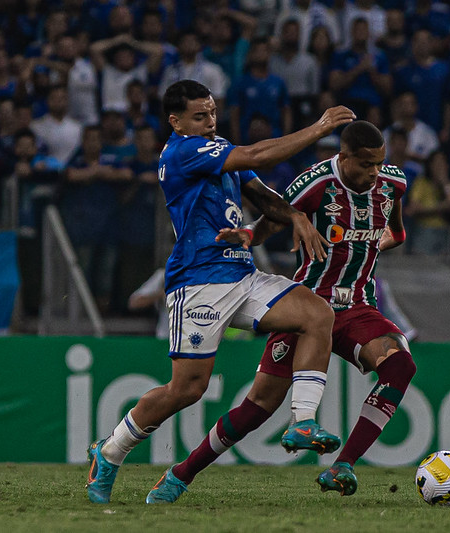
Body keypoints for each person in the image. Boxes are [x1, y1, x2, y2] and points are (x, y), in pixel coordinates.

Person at [85, 80, 356, 504]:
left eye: (212, 113)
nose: (210, 122)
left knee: (316, 314)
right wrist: (320, 128)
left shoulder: (215, 147)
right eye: (200, 116)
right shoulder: (182, 152)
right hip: (199, 282)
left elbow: (262, 195)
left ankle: (303, 421)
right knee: (187, 389)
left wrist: (294, 216)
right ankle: (110, 450)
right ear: (176, 122)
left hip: (242, 275)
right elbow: (259, 154)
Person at [144, 120, 416, 503]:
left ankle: (344, 465)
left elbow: (398, 232)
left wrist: (365, 246)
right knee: (257, 408)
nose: (374, 172)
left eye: (379, 163)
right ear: (344, 156)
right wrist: (251, 235)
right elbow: (275, 215)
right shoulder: (316, 181)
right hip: (307, 307)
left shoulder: (393, 183)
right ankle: (181, 474)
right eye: (366, 164)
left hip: (356, 305)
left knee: (401, 364)